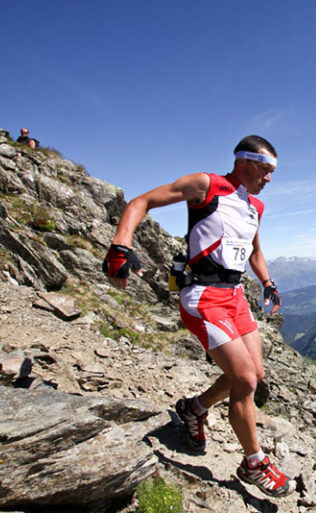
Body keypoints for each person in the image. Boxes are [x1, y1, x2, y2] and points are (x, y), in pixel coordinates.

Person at [102, 135, 290, 498]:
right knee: (245, 380)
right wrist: (120, 246)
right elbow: (142, 201)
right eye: (265, 169)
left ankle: (195, 408)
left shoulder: (256, 206)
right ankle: (254, 462)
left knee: (255, 374)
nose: (269, 178)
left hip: (235, 296)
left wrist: (267, 283)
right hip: (203, 296)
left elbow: (254, 250)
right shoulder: (207, 185)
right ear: (243, 162)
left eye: (272, 172)